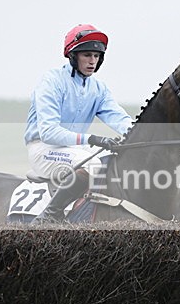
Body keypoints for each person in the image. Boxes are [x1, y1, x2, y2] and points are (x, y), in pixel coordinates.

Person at [24, 23, 132, 222]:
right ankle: (49, 216)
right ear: (73, 56)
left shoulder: (98, 88)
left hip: (73, 149)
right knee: (94, 163)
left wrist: (141, 134)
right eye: (87, 55)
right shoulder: (52, 81)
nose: (92, 61)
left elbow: (118, 118)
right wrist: (93, 138)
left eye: (97, 56)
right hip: (43, 148)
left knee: (113, 159)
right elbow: (48, 132)